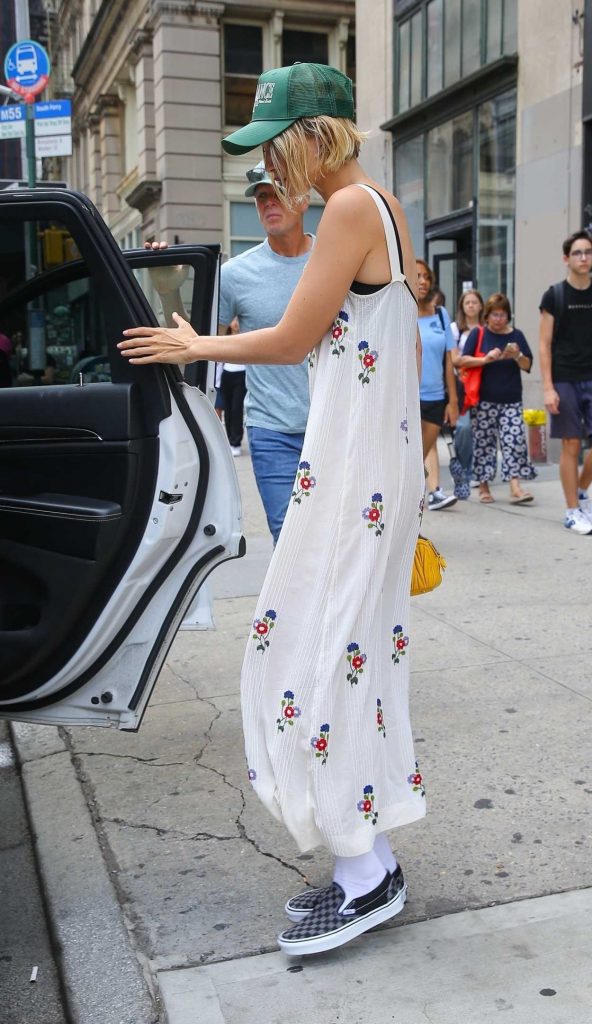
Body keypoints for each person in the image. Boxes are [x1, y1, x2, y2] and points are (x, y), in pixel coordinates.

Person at [120, 61, 425, 957]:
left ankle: (368, 876)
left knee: (311, 651)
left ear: (311, 137)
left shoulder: (352, 210)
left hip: (358, 465)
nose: (268, 169)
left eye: (272, 146)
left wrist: (192, 343)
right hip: (368, 459)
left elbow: (294, 338)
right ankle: (366, 862)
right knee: (335, 651)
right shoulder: (381, 205)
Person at [219, 162, 313, 538]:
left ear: (304, 199)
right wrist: (167, 279)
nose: (269, 204)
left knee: (339, 543)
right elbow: (199, 339)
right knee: (290, 543)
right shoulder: (236, 274)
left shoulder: (334, 262)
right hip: (271, 430)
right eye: (262, 198)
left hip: (334, 426)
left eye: (278, 193)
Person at [459, 292, 535, 504]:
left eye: (502, 315)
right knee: (484, 443)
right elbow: (462, 360)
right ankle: (484, 486)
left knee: (515, 441)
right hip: (483, 400)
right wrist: (485, 359)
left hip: (511, 399)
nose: (499, 320)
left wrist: (517, 356)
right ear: (487, 316)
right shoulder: (479, 334)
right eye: (494, 315)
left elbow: (528, 365)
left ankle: (515, 486)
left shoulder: (517, 336)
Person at [539, 230, 592, 535]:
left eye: (588, 252)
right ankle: (573, 510)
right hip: (565, 378)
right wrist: (547, 387)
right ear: (566, 258)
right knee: (571, 443)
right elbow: (544, 344)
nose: (584, 258)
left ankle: (581, 489)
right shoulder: (555, 295)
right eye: (577, 253)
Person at [416, 260, 458, 509]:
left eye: (426, 277)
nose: (423, 281)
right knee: (411, 458)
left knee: (423, 452)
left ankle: (425, 495)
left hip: (434, 397)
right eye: (417, 275)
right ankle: (423, 499)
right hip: (407, 397)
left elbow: (448, 361)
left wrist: (452, 401)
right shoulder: (401, 310)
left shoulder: (441, 315)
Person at [450, 289, 485, 492]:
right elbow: (453, 358)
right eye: (467, 303)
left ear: (481, 305)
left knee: (480, 429)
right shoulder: (456, 329)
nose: (471, 305)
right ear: (462, 307)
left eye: (474, 302)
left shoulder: (487, 328)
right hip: (463, 385)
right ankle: (465, 469)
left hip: (484, 384)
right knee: (463, 428)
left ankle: (477, 471)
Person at [218, 317, 245, 456]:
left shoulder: (246, 337)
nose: (235, 323)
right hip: (227, 374)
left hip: (242, 375)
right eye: (233, 320)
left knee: (236, 408)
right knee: (227, 409)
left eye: (238, 320)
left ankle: (236, 441)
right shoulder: (226, 337)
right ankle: (229, 440)